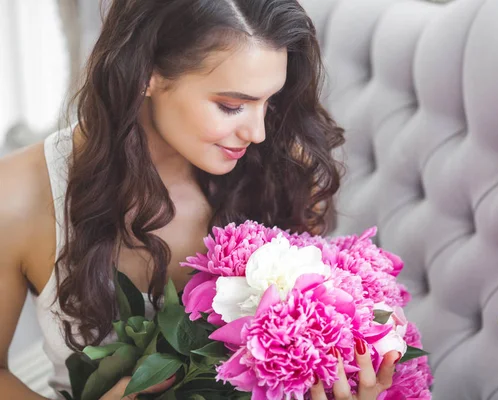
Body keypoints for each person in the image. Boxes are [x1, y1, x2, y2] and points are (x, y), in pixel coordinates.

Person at [0, 0, 401, 399]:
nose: (258, 132)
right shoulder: (19, 194)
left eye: (270, 101)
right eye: (232, 106)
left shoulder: (282, 171)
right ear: (147, 74)